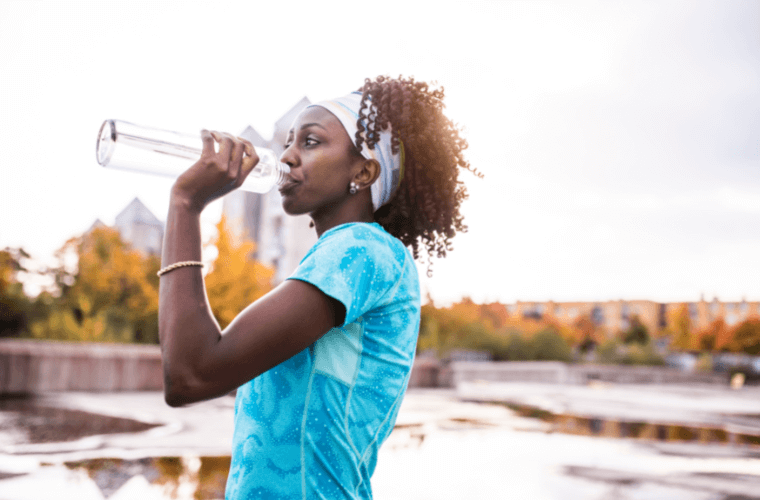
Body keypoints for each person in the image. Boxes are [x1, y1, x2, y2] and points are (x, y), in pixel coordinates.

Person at [158, 75, 478, 499]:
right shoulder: (351, 258)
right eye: (289, 141)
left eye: (310, 142)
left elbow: (191, 373)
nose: (287, 156)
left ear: (363, 171)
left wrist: (185, 205)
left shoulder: (361, 250)